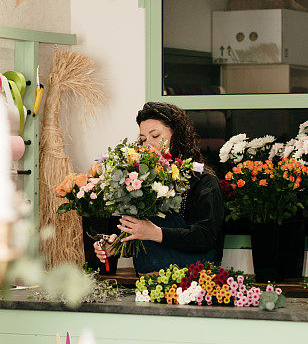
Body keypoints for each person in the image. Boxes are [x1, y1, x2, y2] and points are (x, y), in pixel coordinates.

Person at [93, 102, 224, 274]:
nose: (148, 144)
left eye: (155, 136)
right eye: (143, 139)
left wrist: (155, 233)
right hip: (146, 285)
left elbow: (205, 237)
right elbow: (143, 238)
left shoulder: (204, 180)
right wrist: (116, 246)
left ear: (177, 136)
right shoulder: (139, 181)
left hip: (193, 285)